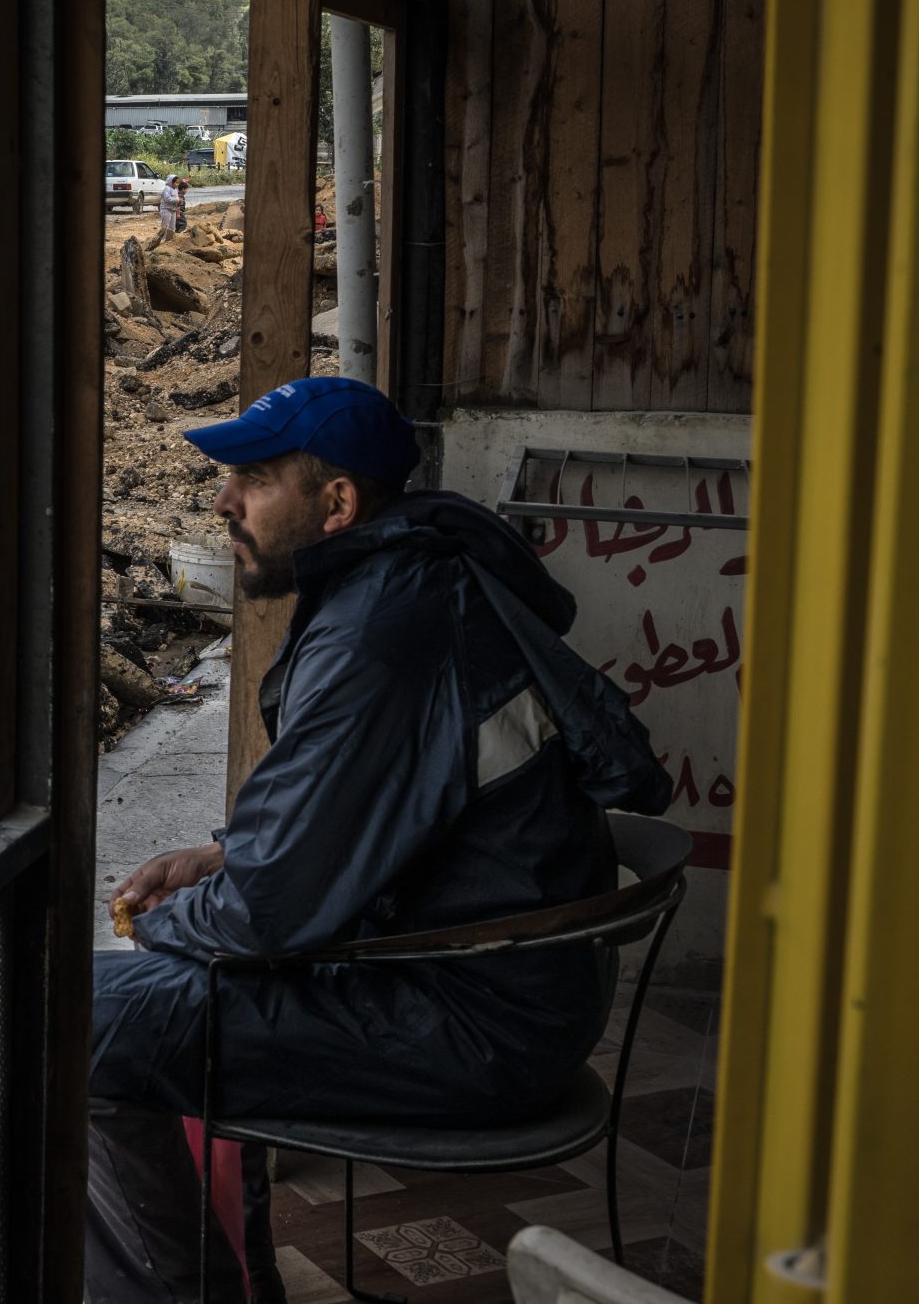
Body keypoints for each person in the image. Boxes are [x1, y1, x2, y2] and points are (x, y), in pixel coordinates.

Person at [86, 378, 670, 1302]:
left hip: (471, 1021)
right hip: (495, 977)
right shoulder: (412, 579)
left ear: (339, 503)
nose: (222, 501)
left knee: (78, 1017)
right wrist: (225, 855)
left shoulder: (380, 635)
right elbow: (377, 815)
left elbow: (268, 913)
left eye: (255, 478)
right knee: (133, 999)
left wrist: (173, 919)